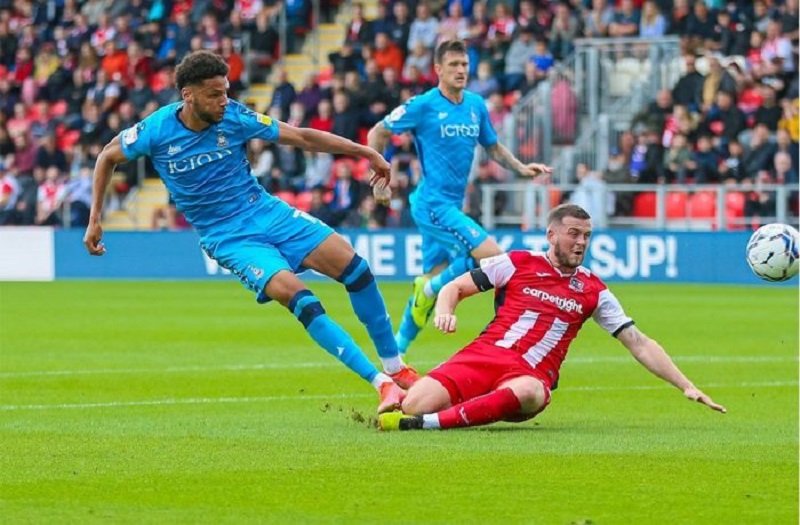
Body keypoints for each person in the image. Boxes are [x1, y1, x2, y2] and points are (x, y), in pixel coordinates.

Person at [82, 51, 418, 413]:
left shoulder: (236, 117)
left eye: (226, 91)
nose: (224, 100)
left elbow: (301, 137)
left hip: (267, 212)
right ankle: (381, 384)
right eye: (214, 94)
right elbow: (107, 156)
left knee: (358, 270)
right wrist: (95, 218)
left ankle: (396, 368)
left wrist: (364, 152)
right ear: (188, 96)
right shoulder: (156, 130)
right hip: (229, 238)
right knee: (301, 298)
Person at [379, 204, 726, 431]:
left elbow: (638, 342)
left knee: (529, 392)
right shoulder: (517, 262)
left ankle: (430, 425)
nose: (581, 242)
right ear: (551, 235)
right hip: (482, 356)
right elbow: (453, 287)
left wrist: (687, 385)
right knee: (413, 404)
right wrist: (445, 312)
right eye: (574, 233)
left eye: (587, 236)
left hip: (529, 374)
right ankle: (421, 406)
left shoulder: (593, 289)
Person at [367, 39, 552, 356]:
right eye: (453, 65)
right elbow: (377, 133)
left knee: (434, 276)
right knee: (493, 257)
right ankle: (431, 291)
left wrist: (521, 167)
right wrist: (380, 178)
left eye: (465, 65)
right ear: (438, 69)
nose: (461, 70)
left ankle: (397, 354)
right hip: (432, 204)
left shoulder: (476, 105)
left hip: (452, 205)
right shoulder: (423, 105)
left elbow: (492, 146)